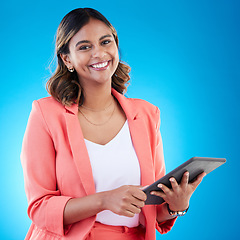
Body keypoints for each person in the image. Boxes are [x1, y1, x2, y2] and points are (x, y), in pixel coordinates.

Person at [21, 8, 205, 240]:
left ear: (116, 46)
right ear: (67, 58)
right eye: (85, 47)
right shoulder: (46, 114)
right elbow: (39, 207)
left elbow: (153, 212)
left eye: (105, 41)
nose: (99, 53)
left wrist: (175, 206)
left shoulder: (147, 114)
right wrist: (104, 200)